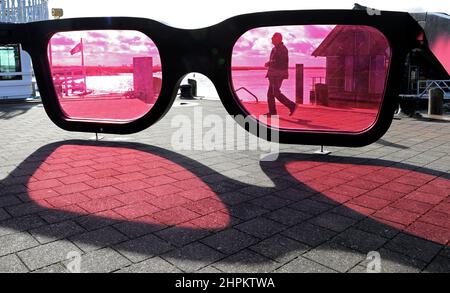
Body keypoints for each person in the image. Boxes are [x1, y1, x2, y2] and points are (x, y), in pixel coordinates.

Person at [265, 33, 297, 116]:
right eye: (271, 37)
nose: (271, 38)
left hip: (278, 74)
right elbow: (275, 61)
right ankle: (272, 112)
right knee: (270, 94)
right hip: (273, 74)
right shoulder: (274, 49)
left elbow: (280, 62)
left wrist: (269, 63)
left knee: (275, 93)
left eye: (273, 37)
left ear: (278, 39)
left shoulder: (282, 49)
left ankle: (292, 105)